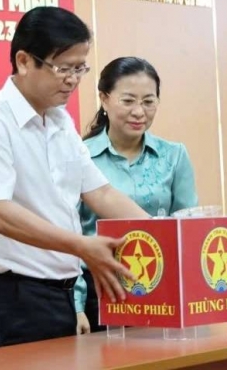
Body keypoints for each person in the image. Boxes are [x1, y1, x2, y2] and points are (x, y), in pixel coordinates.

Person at [0, 6, 150, 351]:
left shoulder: (60, 122)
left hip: (59, 297)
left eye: (80, 68)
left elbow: (100, 193)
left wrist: (166, 234)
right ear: (24, 61)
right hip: (11, 303)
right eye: (63, 68)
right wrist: (81, 246)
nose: (73, 79)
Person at [74, 57, 198, 334]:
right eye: (128, 101)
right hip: (102, 287)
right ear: (104, 99)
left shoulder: (174, 156)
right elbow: (71, 235)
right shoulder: (80, 156)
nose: (139, 112)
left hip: (162, 287)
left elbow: (188, 228)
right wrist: (77, 304)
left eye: (148, 101)